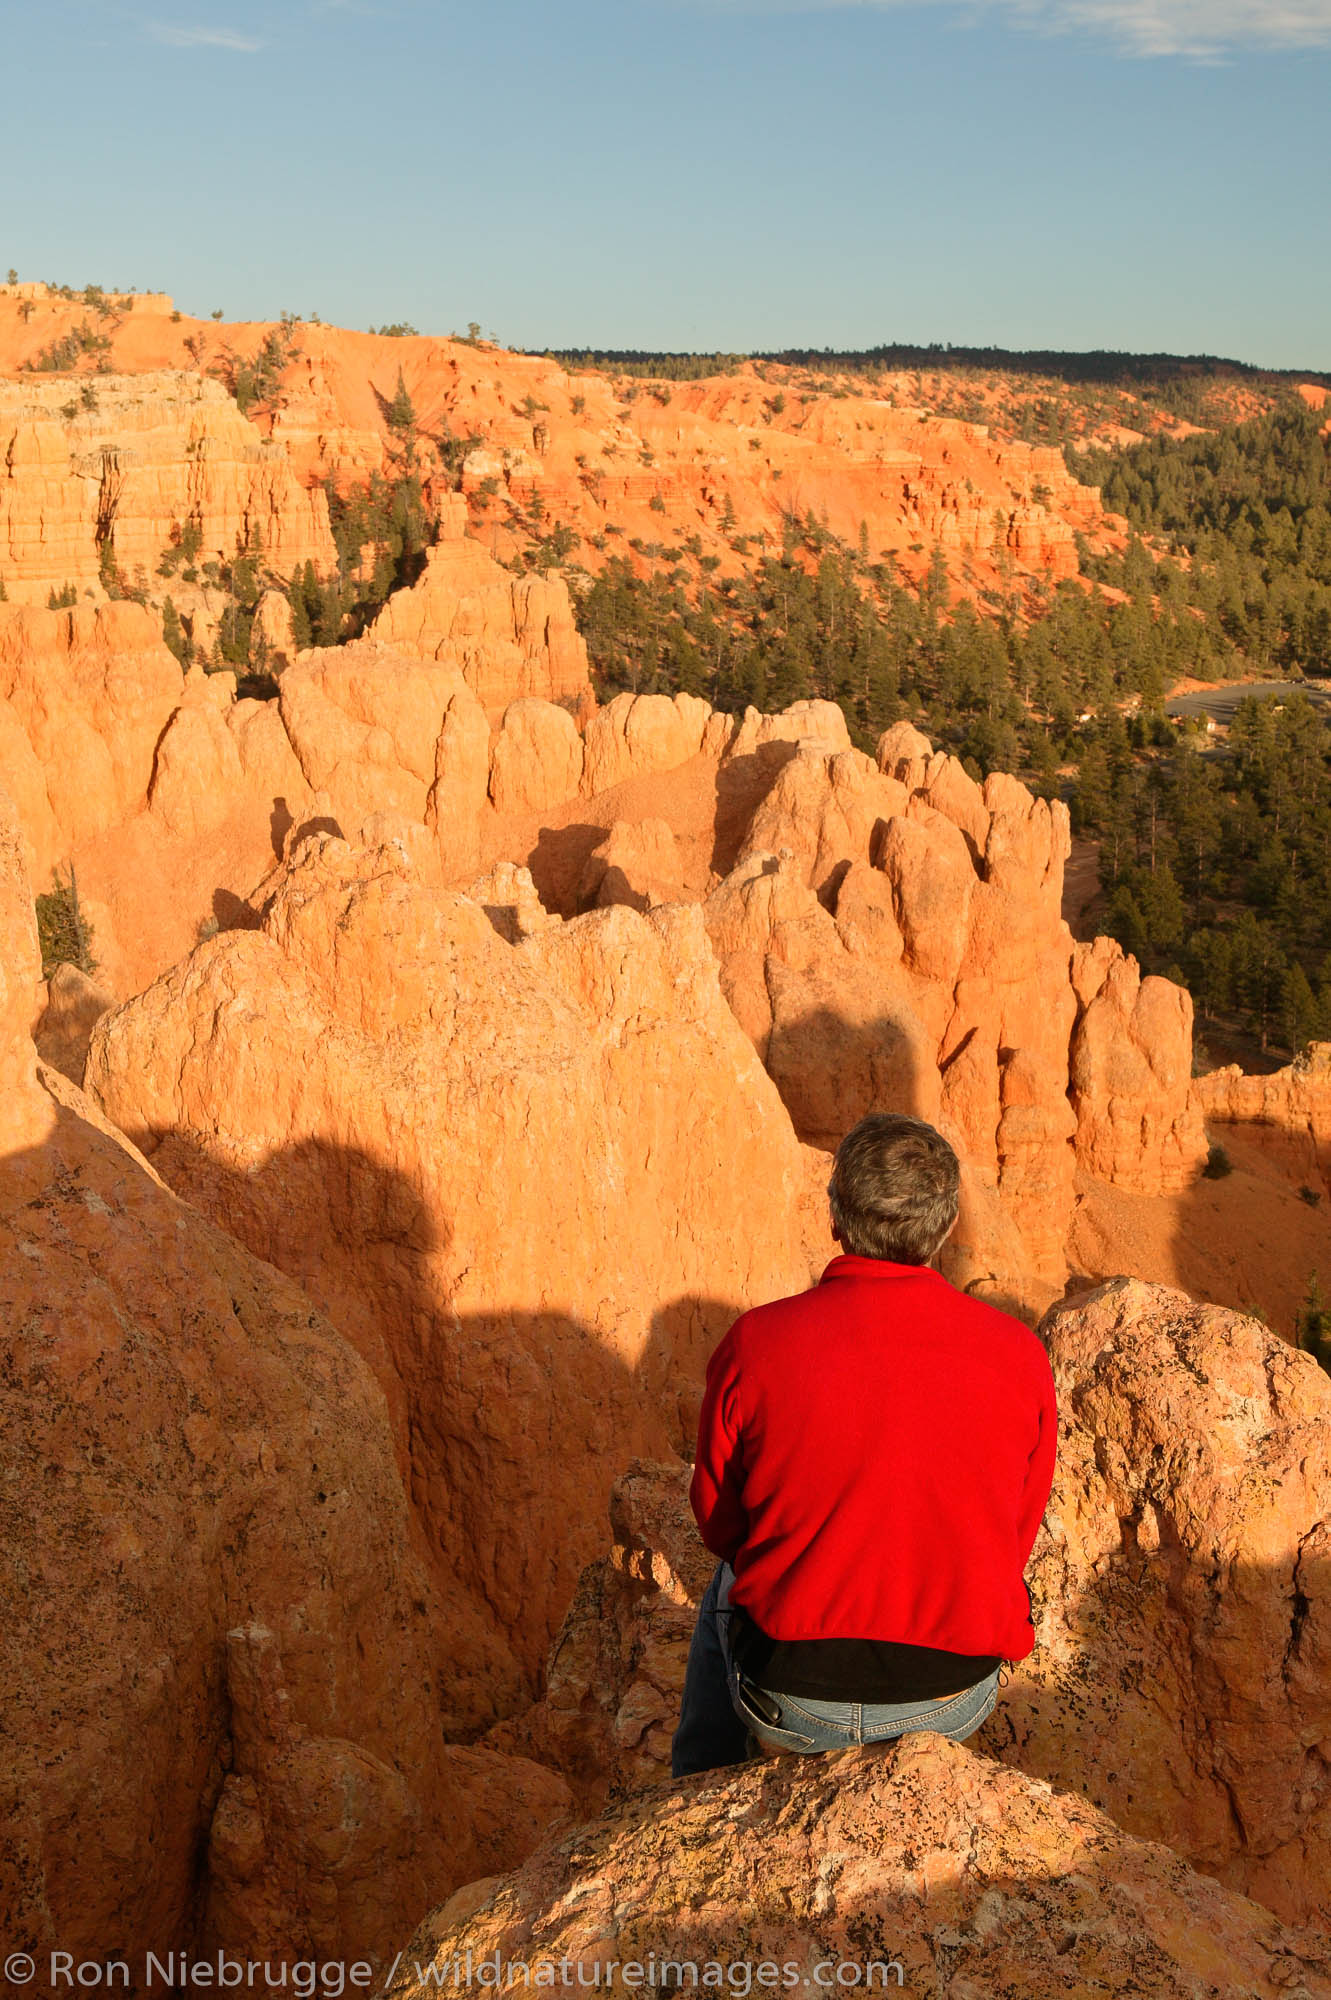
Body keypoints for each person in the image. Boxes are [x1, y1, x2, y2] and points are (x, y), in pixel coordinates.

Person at [671, 1111, 1057, 1773]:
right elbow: (1013, 1534)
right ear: (945, 1226)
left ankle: (699, 1794)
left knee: (725, 1582)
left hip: (791, 1696)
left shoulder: (757, 1343)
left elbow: (718, 1522)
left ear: (835, 1220)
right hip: (949, 1697)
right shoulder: (1016, 1355)